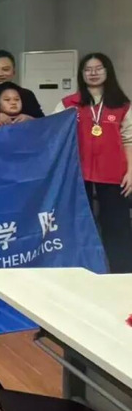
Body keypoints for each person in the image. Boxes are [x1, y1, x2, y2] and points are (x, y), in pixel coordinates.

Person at [54, 53, 132, 273]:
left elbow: (129, 139)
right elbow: (52, 131)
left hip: (114, 174)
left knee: (117, 226)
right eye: (88, 69)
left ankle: (122, 273)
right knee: (78, 224)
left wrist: (131, 172)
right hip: (78, 174)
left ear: (108, 71)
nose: (93, 73)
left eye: (98, 68)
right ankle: (82, 271)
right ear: (81, 74)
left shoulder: (122, 105)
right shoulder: (69, 103)